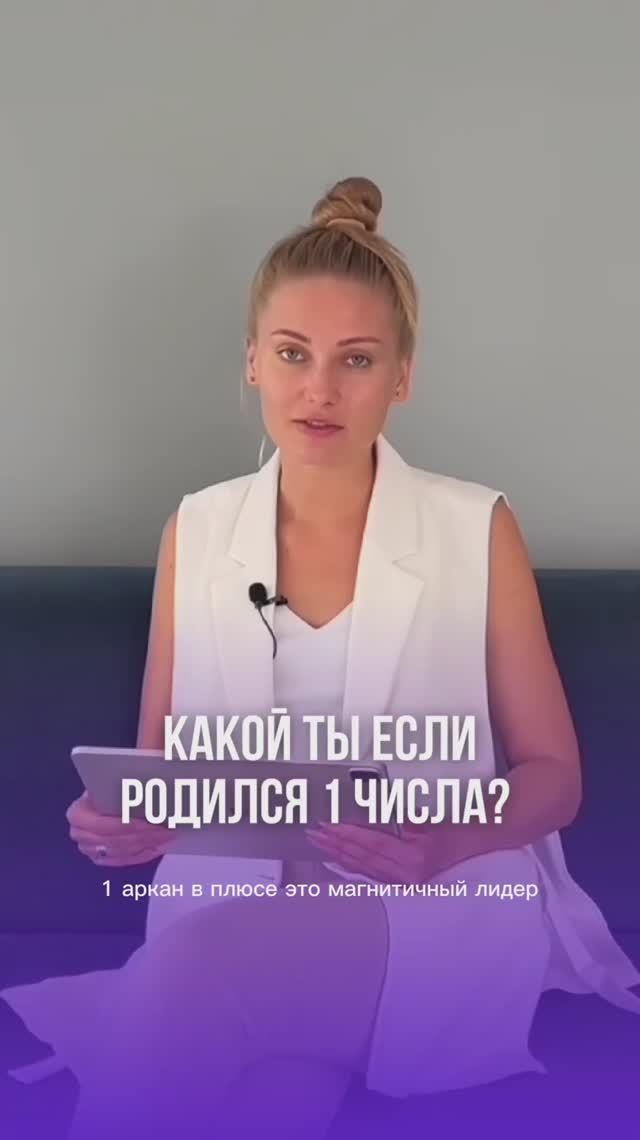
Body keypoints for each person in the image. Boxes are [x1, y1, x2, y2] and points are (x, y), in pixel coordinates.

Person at [4, 176, 640, 1139]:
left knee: (196, 977)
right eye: (294, 353)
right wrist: (123, 824)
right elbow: (161, 767)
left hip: (433, 898)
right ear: (253, 361)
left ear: (401, 377)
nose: (320, 389)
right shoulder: (197, 529)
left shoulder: (477, 526)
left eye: (357, 360)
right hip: (236, 894)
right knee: (270, 1094)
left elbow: (556, 779)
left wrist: (443, 841)